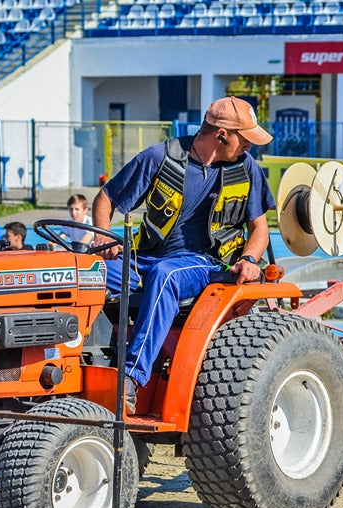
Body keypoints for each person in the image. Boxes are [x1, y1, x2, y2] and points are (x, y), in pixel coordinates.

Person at [91, 96, 276, 413]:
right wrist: (102, 236)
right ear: (221, 135)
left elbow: (260, 230)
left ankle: (131, 378)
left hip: (206, 263)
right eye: (245, 141)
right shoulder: (158, 158)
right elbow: (106, 199)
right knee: (83, 275)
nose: (250, 148)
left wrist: (249, 260)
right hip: (146, 258)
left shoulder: (248, 169)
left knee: (167, 277)